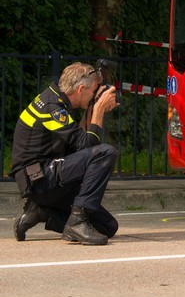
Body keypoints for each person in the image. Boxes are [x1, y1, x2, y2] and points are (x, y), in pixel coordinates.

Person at [11, 62, 120, 245]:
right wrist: (99, 110)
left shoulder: (57, 100)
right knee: (105, 153)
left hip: (46, 174)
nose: (95, 96)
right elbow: (87, 147)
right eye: (94, 92)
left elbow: (78, 146)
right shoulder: (52, 108)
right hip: (39, 179)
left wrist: (92, 108)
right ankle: (77, 221)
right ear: (80, 89)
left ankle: (41, 212)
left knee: (108, 227)